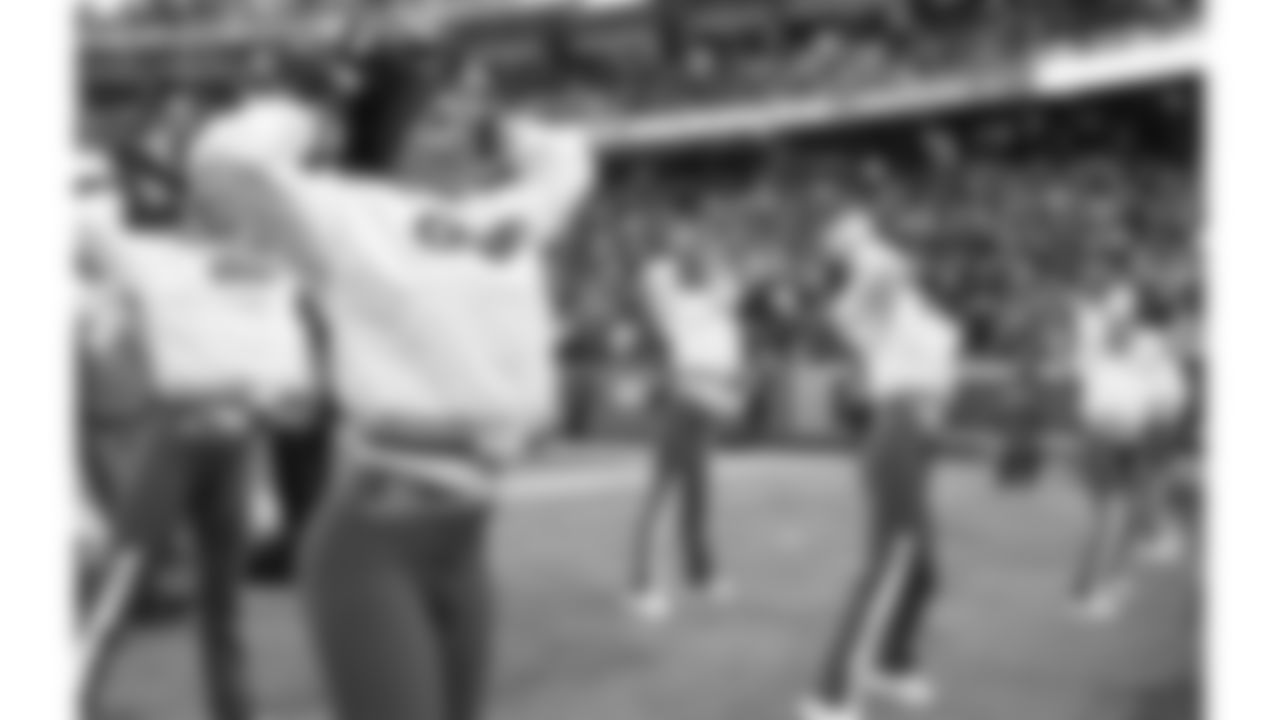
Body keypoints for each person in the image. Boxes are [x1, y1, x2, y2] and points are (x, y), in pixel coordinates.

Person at [189, 58, 598, 720]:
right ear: (386, 136)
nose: (462, 130)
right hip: (376, 544)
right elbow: (225, 160)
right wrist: (315, 100)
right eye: (435, 119)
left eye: (470, 118)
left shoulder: (509, 215)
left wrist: (500, 126)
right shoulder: (346, 215)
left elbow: (572, 160)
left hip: (466, 543)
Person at [76, 142, 316, 720]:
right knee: (123, 582)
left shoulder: (270, 271)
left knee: (220, 597)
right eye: (217, 196)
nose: (232, 208)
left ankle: (234, 710)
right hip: (177, 436)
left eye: (239, 197)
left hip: (232, 441)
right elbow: (83, 235)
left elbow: (295, 386)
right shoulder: (154, 259)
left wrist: (281, 396)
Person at [801, 211, 963, 720]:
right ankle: (829, 695)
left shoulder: (909, 307)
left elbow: (890, 272)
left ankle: (892, 664)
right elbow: (877, 273)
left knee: (923, 570)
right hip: (900, 428)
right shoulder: (866, 301)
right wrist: (857, 245)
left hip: (917, 434)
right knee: (892, 562)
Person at [628, 225, 744, 623]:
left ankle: (701, 574)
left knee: (699, 491)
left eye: (697, 250)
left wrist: (704, 255)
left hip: (713, 397)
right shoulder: (667, 290)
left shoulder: (716, 288)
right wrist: (682, 247)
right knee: (664, 491)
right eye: (685, 251)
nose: (693, 256)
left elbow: (725, 280)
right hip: (685, 393)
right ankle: (643, 586)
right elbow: (654, 273)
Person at [1066, 280, 1192, 622]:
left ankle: (1109, 582)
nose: (1125, 325)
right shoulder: (1095, 345)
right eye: (1119, 318)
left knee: (1124, 515)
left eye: (1129, 318)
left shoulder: (1140, 346)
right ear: (1110, 319)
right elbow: (1091, 323)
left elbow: (1168, 349)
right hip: (1101, 439)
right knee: (1107, 516)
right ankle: (1086, 593)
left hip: (1128, 439)